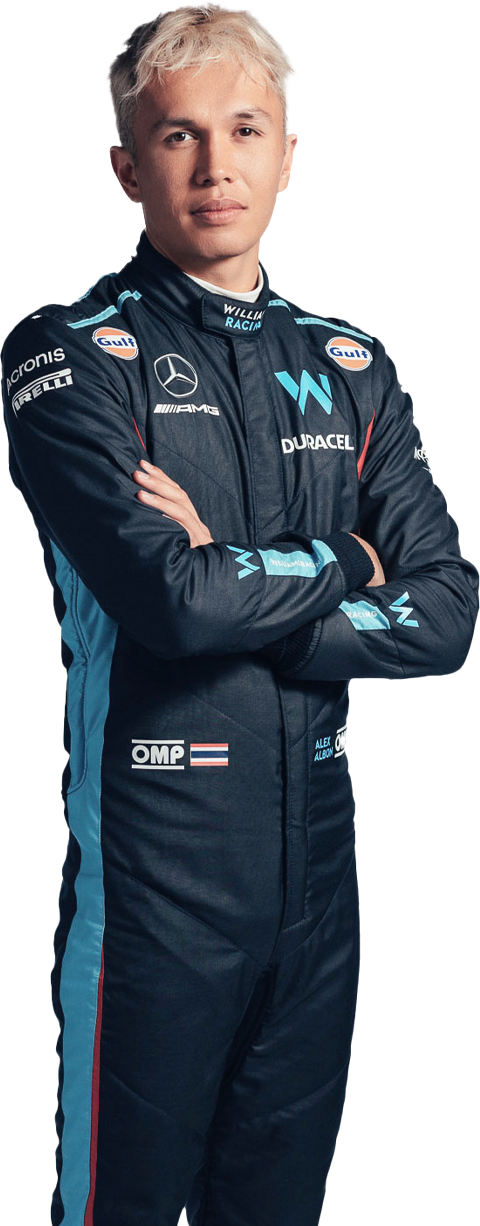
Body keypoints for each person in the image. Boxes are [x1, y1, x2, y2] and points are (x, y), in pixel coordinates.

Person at [2, 5, 478, 1225]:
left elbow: (446, 612)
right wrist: (353, 560)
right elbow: (170, 602)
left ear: (287, 153)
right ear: (129, 167)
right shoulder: (68, 359)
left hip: (317, 894)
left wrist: (242, 580)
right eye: (179, 135)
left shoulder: (354, 366)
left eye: (245, 129)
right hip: (152, 891)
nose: (216, 164)